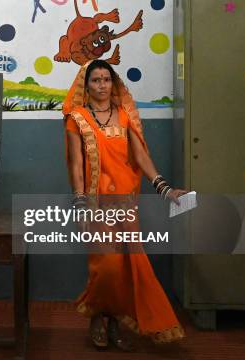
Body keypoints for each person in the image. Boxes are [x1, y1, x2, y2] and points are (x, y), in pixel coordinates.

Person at [63, 60, 186, 350]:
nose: (102, 85)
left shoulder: (124, 114)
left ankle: (114, 320)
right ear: (86, 85)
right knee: (106, 267)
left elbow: (140, 156)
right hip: (95, 204)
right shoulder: (76, 118)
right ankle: (96, 315)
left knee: (126, 266)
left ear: (113, 83)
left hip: (125, 203)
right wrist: (80, 201)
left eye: (107, 79)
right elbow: (76, 164)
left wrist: (163, 187)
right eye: (96, 80)